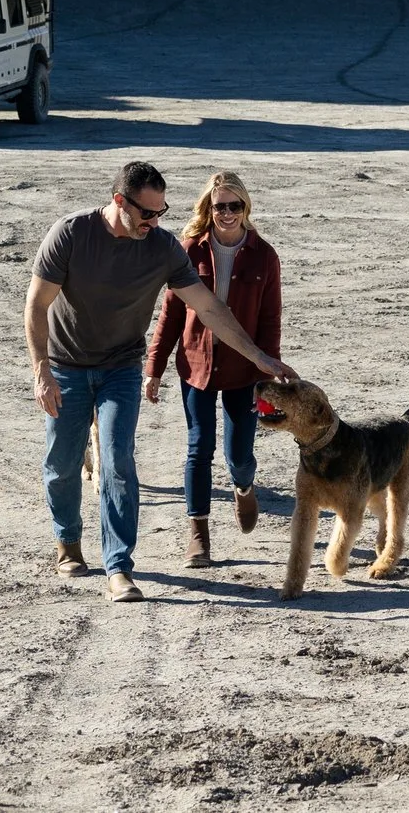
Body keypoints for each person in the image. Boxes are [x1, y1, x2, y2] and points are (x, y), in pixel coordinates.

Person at [26, 160, 294, 602]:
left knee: (116, 460)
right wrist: (42, 372)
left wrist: (261, 356)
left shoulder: (163, 248)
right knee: (62, 465)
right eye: (147, 213)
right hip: (67, 365)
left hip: (121, 368)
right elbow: (36, 306)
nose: (154, 221)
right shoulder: (71, 234)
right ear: (119, 202)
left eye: (161, 212)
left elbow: (208, 309)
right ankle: (68, 543)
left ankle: (118, 566)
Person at [145, 170, 281, 567]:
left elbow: (270, 320)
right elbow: (170, 314)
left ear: (245, 207)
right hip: (197, 366)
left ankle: (243, 487)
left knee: (240, 453)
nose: (226, 213)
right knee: (198, 447)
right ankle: (198, 535)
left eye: (234, 205)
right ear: (208, 208)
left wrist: (267, 375)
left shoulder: (264, 255)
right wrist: (153, 368)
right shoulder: (189, 250)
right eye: (218, 206)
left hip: (244, 371)